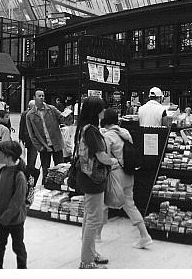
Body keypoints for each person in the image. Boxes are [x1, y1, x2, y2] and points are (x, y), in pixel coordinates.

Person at [73, 96, 117, 269]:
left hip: (85, 176)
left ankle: (90, 253)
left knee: (89, 217)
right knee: (93, 219)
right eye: (102, 109)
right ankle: (86, 260)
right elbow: (101, 156)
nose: (104, 111)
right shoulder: (91, 130)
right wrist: (113, 162)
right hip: (94, 179)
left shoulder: (83, 128)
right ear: (95, 111)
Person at [100, 108, 153, 249]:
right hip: (129, 173)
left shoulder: (108, 136)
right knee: (130, 205)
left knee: (103, 203)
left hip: (116, 175)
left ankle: (96, 235)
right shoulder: (125, 133)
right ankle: (144, 236)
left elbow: (106, 158)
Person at [0, 141, 28, 269]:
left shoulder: (19, 176)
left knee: (18, 246)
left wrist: (5, 218)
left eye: (0, 154)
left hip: (15, 220)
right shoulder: (2, 171)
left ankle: (22, 268)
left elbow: (17, 202)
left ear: (8, 156)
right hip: (1, 219)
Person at [25, 90, 65, 185]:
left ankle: (60, 186)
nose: (42, 97)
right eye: (39, 96)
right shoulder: (30, 115)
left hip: (57, 144)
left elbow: (62, 118)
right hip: (44, 147)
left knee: (60, 168)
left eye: (43, 95)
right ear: (34, 98)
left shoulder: (51, 109)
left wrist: (66, 116)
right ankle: (45, 188)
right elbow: (32, 135)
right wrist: (40, 147)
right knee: (45, 170)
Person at [18, 100, 37, 179]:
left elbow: (21, 125)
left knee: (30, 154)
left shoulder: (24, 113)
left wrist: (20, 137)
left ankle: (29, 169)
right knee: (32, 155)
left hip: (26, 137)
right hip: (33, 138)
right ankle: (30, 170)